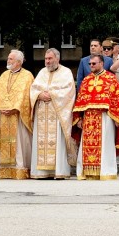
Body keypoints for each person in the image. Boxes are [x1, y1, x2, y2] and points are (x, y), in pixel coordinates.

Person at [73, 54, 119, 180]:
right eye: (90, 64)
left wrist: (118, 119)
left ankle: (106, 171)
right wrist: (79, 118)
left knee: (105, 146)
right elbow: (80, 100)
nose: (91, 66)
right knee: (86, 147)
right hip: (88, 119)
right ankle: (87, 172)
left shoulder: (111, 79)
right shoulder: (87, 80)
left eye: (94, 63)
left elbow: (117, 100)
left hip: (105, 117)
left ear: (102, 63)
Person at [29, 48, 77, 179]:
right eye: (46, 59)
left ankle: (58, 171)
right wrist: (39, 94)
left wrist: (51, 94)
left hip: (57, 115)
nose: (47, 61)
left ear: (57, 58)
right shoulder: (42, 72)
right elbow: (33, 89)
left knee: (57, 141)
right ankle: (41, 173)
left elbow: (69, 91)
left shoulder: (66, 72)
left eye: (50, 58)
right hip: (41, 115)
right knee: (41, 142)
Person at [0, 50, 34, 179]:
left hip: (18, 116)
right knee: (4, 143)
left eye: (11, 59)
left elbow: (26, 97)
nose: (8, 60)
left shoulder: (27, 76)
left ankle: (19, 169)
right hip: (3, 115)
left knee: (18, 142)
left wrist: (16, 109)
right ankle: (3, 169)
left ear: (19, 62)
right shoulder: (4, 75)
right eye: (8, 58)